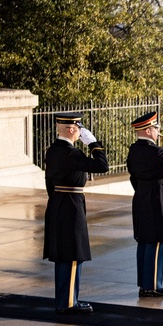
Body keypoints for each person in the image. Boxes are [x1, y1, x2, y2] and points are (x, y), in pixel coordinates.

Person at [43, 113, 109, 315]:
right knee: (72, 255)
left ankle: (65, 299)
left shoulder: (53, 150)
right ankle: (69, 303)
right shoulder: (71, 153)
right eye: (79, 128)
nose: (80, 132)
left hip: (58, 203)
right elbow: (102, 166)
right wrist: (94, 144)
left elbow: (49, 182)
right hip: (71, 206)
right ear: (71, 129)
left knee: (65, 255)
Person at [126, 111, 163, 298]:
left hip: (141, 198)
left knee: (144, 241)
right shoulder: (157, 152)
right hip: (158, 200)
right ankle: (153, 286)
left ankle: (144, 285)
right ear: (149, 130)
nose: (157, 131)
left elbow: (133, 176)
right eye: (155, 128)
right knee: (157, 241)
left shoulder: (133, 150)